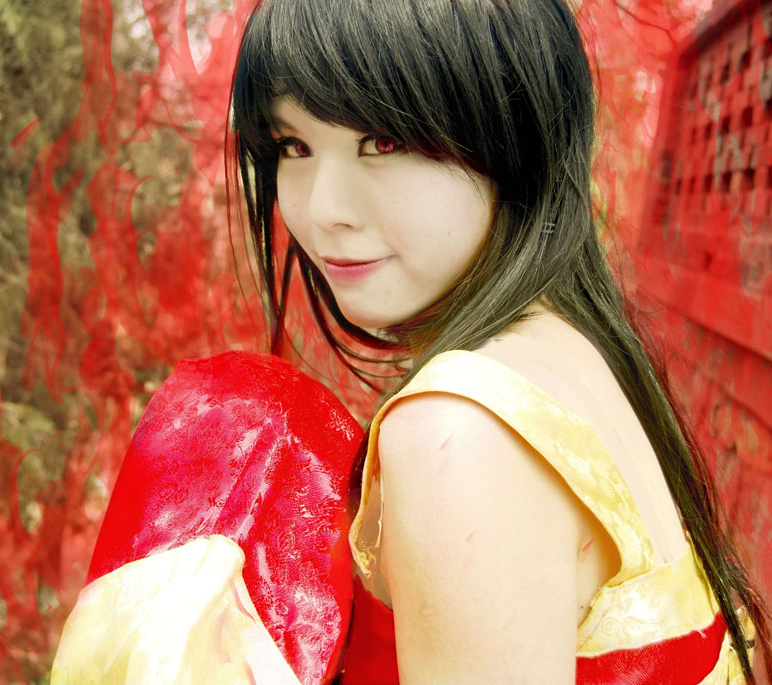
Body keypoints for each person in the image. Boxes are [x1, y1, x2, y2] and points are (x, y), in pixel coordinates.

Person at [51, 0, 770, 682]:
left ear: (514, 132)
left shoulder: (460, 433)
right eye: (294, 146)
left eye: (382, 141)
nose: (322, 209)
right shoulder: (574, 348)